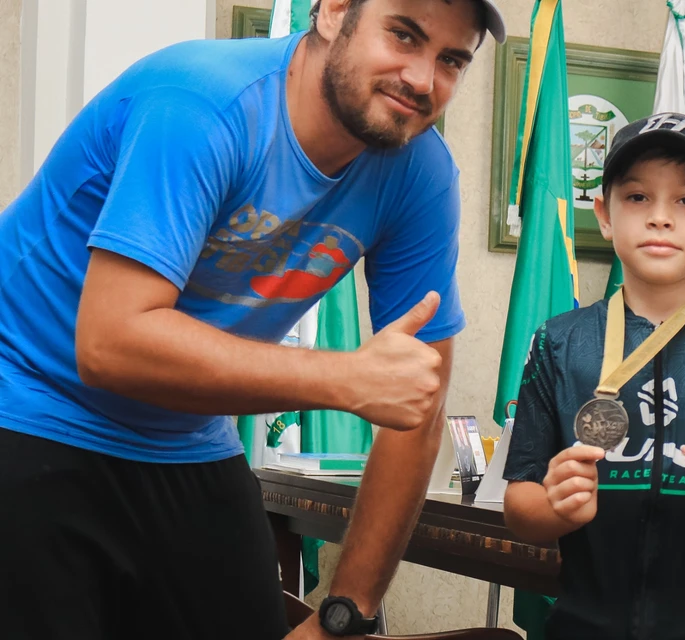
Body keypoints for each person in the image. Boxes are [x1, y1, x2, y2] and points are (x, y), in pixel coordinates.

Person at [0, 1, 505, 638]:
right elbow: (111, 344)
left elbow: (416, 404)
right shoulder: (200, 102)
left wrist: (344, 615)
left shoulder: (421, 173)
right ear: (334, 12)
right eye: (403, 35)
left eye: (452, 60)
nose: (423, 79)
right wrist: (343, 379)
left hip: (187, 437)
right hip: (29, 399)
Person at [501, 113, 685, 640]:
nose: (660, 218)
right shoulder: (559, 342)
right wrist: (555, 505)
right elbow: (518, 502)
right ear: (604, 215)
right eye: (638, 197)